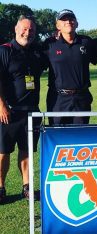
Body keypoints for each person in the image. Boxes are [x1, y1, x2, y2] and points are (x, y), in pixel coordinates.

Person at [0, 15, 46, 201]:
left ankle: (27, 187)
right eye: (25, 29)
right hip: (9, 111)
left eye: (32, 30)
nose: (28, 32)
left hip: (31, 110)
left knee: (27, 151)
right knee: (3, 152)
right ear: (16, 29)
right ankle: (0, 188)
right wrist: (1, 106)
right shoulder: (5, 50)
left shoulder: (36, 52)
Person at [43, 9, 96, 125]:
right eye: (64, 19)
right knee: (58, 135)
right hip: (57, 98)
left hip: (81, 97)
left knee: (80, 136)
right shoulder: (49, 44)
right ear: (58, 25)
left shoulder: (86, 42)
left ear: (77, 23)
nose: (68, 21)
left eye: (71, 19)